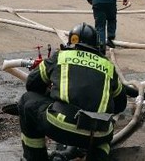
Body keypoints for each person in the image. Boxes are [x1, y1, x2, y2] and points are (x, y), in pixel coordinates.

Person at [18, 23, 127, 161]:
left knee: (27, 101)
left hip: (61, 126)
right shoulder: (108, 66)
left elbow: (32, 84)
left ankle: (35, 158)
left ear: (70, 42)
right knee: (106, 127)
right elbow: (121, 105)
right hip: (98, 134)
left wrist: (52, 96)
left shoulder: (61, 56)